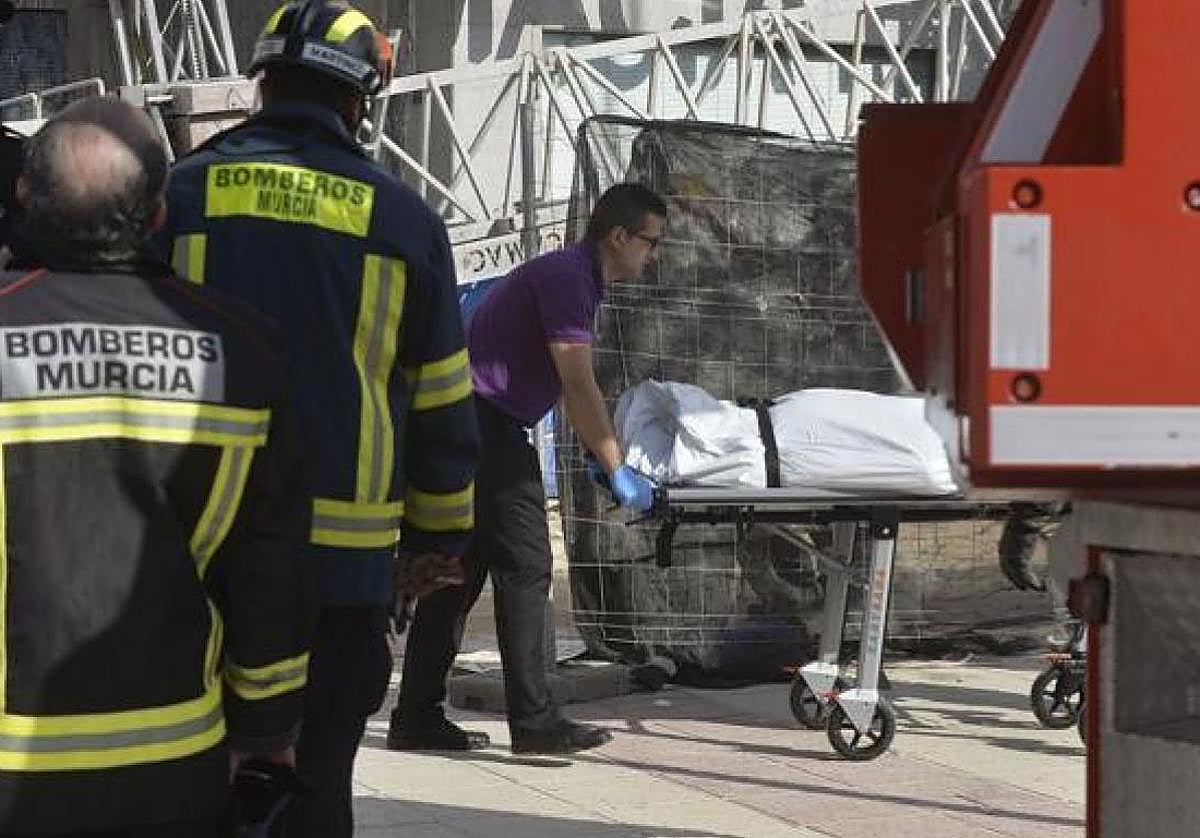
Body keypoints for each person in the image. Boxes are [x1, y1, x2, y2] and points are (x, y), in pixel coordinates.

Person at [159, 2, 479, 835]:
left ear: (261, 84)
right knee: (318, 779)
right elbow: (444, 400)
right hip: (342, 573)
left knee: (189, 783)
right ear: (359, 100)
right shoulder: (405, 222)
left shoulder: (179, 196)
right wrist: (436, 545)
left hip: (197, 561)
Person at [0, 96, 313, 837]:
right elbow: (271, 572)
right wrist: (268, 733)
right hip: (174, 758)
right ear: (158, 215)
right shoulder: (246, 351)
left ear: (23, 196)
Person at [390, 183, 666, 755]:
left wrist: (597, 454)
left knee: (454, 574)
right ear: (619, 236)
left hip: (468, 421)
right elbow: (577, 380)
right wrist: (616, 465)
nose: (652, 254)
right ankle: (536, 723)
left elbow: (566, 388)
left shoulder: (573, 277)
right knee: (529, 568)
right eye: (650, 242)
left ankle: (416, 716)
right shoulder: (570, 279)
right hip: (484, 425)